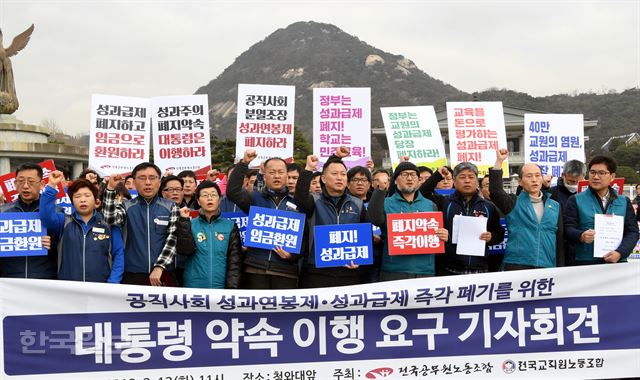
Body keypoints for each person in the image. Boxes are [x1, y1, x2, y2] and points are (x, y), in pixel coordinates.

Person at [226, 149, 301, 289]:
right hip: (256, 269)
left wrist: (292, 256)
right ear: (264, 176)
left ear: (287, 175)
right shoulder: (254, 198)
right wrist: (244, 163)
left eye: (280, 172)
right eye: (272, 172)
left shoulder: (298, 202)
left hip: (286, 272)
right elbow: (233, 191)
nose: (277, 176)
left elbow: (305, 235)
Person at [295, 147, 369, 287]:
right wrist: (308, 169)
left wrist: (360, 261)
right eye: (334, 174)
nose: (339, 177)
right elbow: (299, 197)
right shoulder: (314, 201)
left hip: (348, 272)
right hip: (316, 272)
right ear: (323, 178)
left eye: (343, 174)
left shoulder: (358, 204)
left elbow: (365, 237)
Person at [368, 161, 449, 280]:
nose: (409, 178)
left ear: (418, 180)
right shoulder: (386, 203)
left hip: (425, 271)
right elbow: (375, 219)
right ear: (395, 181)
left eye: (413, 175)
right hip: (394, 270)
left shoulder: (430, 205)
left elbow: (436, 234)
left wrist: (444, 235)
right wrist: (380, 190)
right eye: (404, 175)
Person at [102, 162, 179, 286]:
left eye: (152, 178)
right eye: (142, 178)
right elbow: (109, 219)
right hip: (132, 274)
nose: (147, 182)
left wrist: (159, 267)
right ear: (134, 182)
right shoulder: (126, 206)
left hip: (164, 274)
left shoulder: (170, 206)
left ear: (159, 182)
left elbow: (173, 239)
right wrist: (110, 189)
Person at [420, 163, 504, 275]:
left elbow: (499, 232)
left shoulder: (488, 206)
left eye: (471, 177)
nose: (467, 180)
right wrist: (437, 175)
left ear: (476, 181)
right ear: (454, 181)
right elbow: (422, 194)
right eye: (462, 177)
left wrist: (491, 237)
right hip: (448, 269)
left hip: (480, 269)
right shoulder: (444, 202)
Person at [40, 171, 124, 283]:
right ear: (72, 201)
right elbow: (46, 216)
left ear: (96, 201)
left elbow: (118, 254)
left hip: (102, 289)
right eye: (77, 196)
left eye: (87, 195)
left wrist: (113, 282)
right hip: (69, 288)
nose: (82, 200)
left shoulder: (108, 223)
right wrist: (51, 185)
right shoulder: (64, 222)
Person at [490, 149, 564, 270]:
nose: (534, 180)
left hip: (547, 265)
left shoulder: (555, 206)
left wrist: (560, 269)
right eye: (529, 176)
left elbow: (559, 240)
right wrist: (499, 162)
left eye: (537, 175)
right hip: (517, 265)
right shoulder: (513, 203)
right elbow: (495, 192)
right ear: (520, 181)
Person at [564, 156, 639, 265]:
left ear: (612, 176)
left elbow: (632, 232)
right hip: (585, 263)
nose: (596, 177)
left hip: (616, 263)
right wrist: (581, 235)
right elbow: (567, 228)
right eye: (592, 172)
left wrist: (620, 253)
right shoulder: (575, 200)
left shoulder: (624, 201)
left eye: (602, 173)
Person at [177, 181, 243, 289]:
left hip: (221, 286)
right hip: (194, 286)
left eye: (213, 195)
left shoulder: (230, 226)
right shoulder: (189, 224)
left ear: (219, 199)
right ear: (198, 201)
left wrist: (232, 288)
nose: (209, 198)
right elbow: (185, 250)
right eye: (204, 195)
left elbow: (234, 262)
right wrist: (184, 222)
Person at [0, 163, 55, 278]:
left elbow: (66, 246)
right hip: (10, 281)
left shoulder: (55, 212)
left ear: (42, 184)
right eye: (21, 181)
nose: (25, 186)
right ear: (15, 184)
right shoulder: (3, 213)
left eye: (31, 182)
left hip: (44, 279)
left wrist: (53, 243)